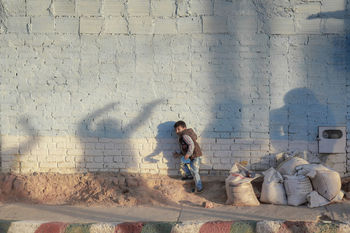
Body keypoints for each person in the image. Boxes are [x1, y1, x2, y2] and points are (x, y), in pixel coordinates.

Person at [173, 121, 203, 193]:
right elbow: (185, 148)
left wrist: (188, 154)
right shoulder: (182, 136)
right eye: (176, 130)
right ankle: (189, 176)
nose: (177, 131)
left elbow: (191, 145)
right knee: (183, 163)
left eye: (179, 129)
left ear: (184, 128)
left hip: (195, 155)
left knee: (194, 171)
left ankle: (199, 188)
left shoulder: (185, 136)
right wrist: (179, 154)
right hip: (191, 155)